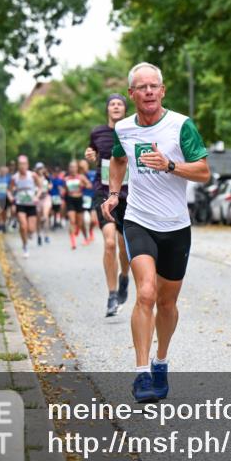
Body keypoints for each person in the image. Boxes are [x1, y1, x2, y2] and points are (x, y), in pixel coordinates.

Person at [100, 62, 210, 403]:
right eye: (141, 87)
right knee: (145, 292)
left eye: (154, 87)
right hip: (139, 220)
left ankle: (160, 360)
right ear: (132, 94)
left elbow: (204, 172)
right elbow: (118, 160)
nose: (148, 92)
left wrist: (172, 165)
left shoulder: (181, 126)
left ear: (162, 91)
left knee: (167, 302)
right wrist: (114, 193)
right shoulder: (125, 128)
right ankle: (142, 373)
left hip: (176, 226)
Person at [86, 94, 132, 317]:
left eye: (119, 103)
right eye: (112, 104)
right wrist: (90, 156)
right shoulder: (97, 133)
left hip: (128, 195)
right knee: (110, 244)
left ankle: (125, 277)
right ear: (107, 110)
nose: (115, 106)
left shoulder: (133, 129)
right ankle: (112, 295)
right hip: (103, 192)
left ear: (125, 109)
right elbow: (93, 155)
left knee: (124, 247)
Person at [9, 155, 43, 258]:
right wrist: (11, 198)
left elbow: (40, 187)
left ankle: (28, 235)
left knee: (31, 229)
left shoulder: (32, 175)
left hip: (31, 204)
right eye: (20, 164)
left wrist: (37, 196)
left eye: (24, 164)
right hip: (20, 204)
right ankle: (25, 246)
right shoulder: (14, 177)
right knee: (23, 226)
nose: (22, 166)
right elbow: (9, 190)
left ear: (27, 165)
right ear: (18, 165)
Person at [63, 160, 91, 249]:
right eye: (71, 167)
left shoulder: (81, 177)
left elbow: (89, 185)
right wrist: (63, 192)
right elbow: (65, 191)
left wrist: (84, 185)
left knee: (80, 223)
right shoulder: (66, 179)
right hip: (70, 200)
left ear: (77, 168)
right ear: (69, 168)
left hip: (79, 200)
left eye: (74, 167)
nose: (72, 169)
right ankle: (73, 242)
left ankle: (84, 236)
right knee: (72, 221)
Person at [79, 158, 97, 244]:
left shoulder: (93, 173)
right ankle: (86, 238)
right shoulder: (77, 177)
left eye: (84, 165)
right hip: (81, 200)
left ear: (87, 166)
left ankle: (90, 230)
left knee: (93, 220)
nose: (83, 167)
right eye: (81, 166)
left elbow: (91, 186)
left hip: (92, 199)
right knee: (82, 221)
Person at [0, 166, 11, 232]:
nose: (3, 172)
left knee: (5, 213)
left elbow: (10, 187)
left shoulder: (8, 178)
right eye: (2, 171)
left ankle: (3, 225)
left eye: (4, 171)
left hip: (6, 198)